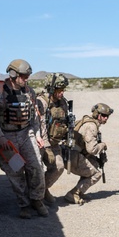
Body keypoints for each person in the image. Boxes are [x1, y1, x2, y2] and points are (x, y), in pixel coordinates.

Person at [0, 58, 48, 219]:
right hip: (7, 138)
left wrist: (37, 134)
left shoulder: (29, 92)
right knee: (16, 172)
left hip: (26, 133)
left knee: (36, 168)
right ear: (14, 74)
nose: (26, 79)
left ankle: (37, 200)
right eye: (23, 76)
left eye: (27, 76)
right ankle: (24, 205)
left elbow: (34, 116)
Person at [36, 73, 73, 205]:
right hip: (41, 142)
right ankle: (35, 196)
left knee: (59, 167)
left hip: (55, 142)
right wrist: (46, 147)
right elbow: (41, 126)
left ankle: (43, 190)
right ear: (51, 88)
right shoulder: (42, 102)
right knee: (37, 170)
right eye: (59, 90)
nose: (62, 93)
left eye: (63, 90)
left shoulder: (63, 102)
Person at [65, 102, 112, 205]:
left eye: (107, 116)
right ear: (97, 115)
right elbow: (92, 150)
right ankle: (73, 194)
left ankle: (79, 191)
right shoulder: (91, 126)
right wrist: (103, 145)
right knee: (96, 174)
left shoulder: (88, 121)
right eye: (104, 116)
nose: (106, 118)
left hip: (72, 153)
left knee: (95, 164)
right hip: (73, 156)